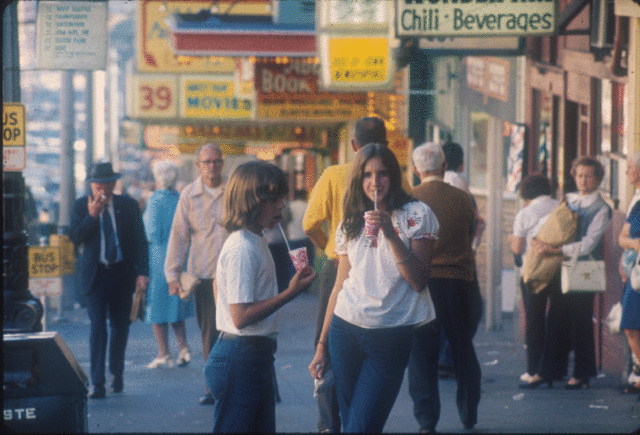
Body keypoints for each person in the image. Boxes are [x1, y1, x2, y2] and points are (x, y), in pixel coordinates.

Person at [308, 143, 439, 433]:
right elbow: (340, 286)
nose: (374, 182)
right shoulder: (350, 221)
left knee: (362, 426)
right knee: (349, 419)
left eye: (382, 174)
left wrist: (391, 234)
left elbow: (418, 280)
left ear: (394, 176)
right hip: (345, 330)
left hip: (391, 334)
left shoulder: (416, 214)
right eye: (367, 175)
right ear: (358, 179)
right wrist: (321, 346)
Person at [204, 161, 316, 433]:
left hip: (252, 354)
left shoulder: (254, 240)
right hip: (241, 355)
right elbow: (240, 317)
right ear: (251, 201)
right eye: (273, 199)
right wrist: (290, 293)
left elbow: (218, 287)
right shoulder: (243, 247)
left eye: (282, 197)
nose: (281, 205)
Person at [303, 116, 388, 433]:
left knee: (325, 342)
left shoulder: (335, 174)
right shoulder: (394, 177)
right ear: (386, 144)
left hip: (338, 267)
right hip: (378, 271)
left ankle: (328, 422)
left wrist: (331, 249)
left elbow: (310, 223)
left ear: (353, 145)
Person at [407, 142, 482, 432]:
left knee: (421, 353)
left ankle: (427, 421)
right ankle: (468, 413)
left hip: (421, 284)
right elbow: (471, 231)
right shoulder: (462, 199)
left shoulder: (408, 199)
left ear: (416, 170)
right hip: (460, 282)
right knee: (463, 348)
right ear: (444, 167)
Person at [69, 162, 149, 399]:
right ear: (91, 185)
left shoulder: (129, 205)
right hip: (96, 275)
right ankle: (98, 382)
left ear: (114, 184)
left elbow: (140, 242)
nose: (101, 189)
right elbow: (75, 237)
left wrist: (142, 272)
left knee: (119, 327)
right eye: (97, 184)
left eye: (106, 184)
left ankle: (116, 372)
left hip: (121, 273)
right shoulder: (81, 206)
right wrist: (92, 216)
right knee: (97, 328)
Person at [531, 156, 611, 389]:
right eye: (579, 175)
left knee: (581, 320)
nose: (583, 181)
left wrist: (555, 249)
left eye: (589, 176)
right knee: (555, 316)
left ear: (598, 179)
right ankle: (548, 372)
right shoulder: (569, 200)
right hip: (561, 265)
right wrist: (540, 241)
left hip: (585, 268)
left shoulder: (602, 208)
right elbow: (552, 226)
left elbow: (589, 244)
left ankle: (582, 373)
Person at [164, 144, 228, 405]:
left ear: (222, 164)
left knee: (239, 330)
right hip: (204, 276)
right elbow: (179, 236)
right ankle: (213, 387)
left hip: (233, 274)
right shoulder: (188, 195)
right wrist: (172, 275)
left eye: (216, 161)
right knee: (210, 333)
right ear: (198, 166)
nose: (212, 166)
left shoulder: (234, 190)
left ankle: (238, 383)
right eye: (207, 162)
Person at [507, 173, 566, 386]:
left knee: (534, 320)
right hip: (560, 269)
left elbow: (518, 248)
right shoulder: (561, 207)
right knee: (558, 319)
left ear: (526, 192)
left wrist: (510, 240)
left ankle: (533, 370)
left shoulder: (525, 213)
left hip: (533, 272)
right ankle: (556, 369)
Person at [143, 160, 194, 369]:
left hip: (158, 257)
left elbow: (151, 232)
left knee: (157, 307)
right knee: (175, 305)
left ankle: (164, 353)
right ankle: (184, 348)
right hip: (179, 256)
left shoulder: (155, 200)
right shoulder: (179, 198)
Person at [618, 151, 640, 393]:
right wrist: (633, 244)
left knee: (632, 324)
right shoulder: (636, 201)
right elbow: (621, 237)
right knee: (631, 324)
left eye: (630, 167)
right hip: (635, 274)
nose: (626, 172)